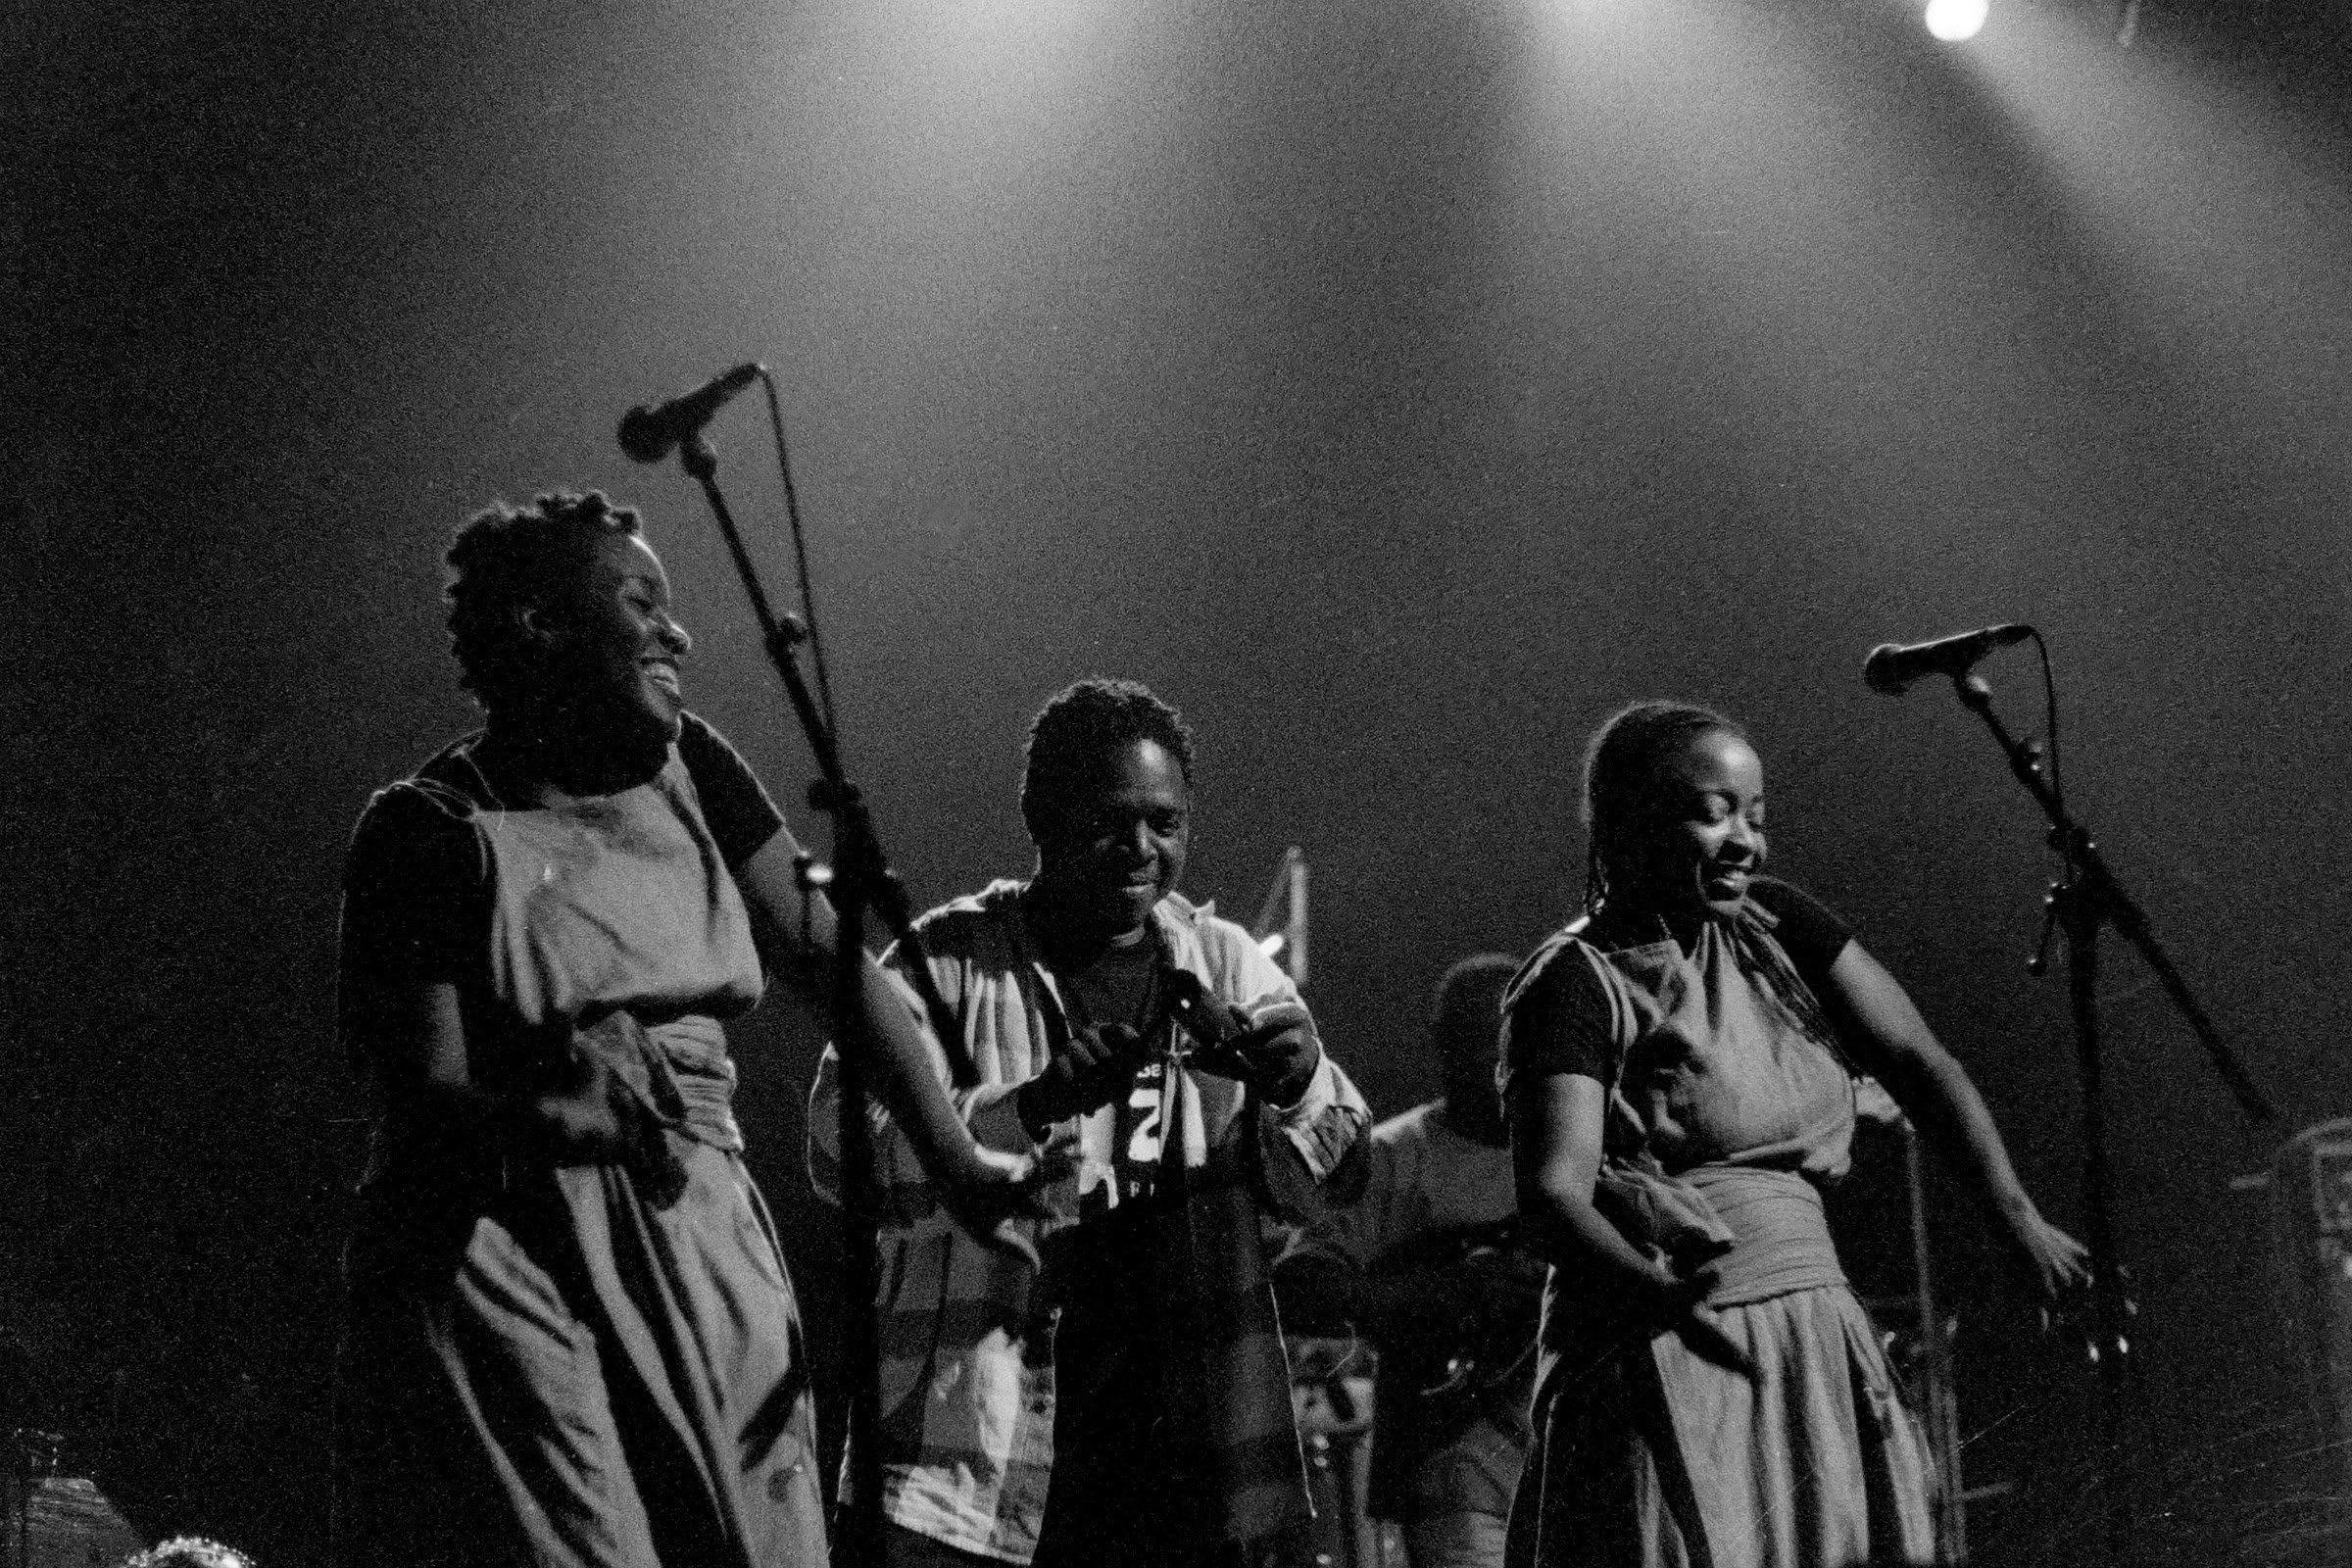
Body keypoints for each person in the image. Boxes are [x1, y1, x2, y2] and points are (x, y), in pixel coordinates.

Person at [334, 489, 1033, 1567]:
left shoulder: (694, 770)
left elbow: (829, 959)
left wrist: (955, 1153)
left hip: (701, 1221)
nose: (678, 630)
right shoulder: (426, 830)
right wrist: (541, 1112)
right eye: (642, 601)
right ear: (541, 623)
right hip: (514, 1256)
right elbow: (416, 1113)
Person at [1500, 701, 2088, 1568]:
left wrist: (2015, 1217)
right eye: (1714, 814)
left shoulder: (1779, 930)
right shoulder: (1574, 982)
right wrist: (1653, 1294)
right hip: (1665, 1347)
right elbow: (1553, 1194)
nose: (1746, 841)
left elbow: (1919, 1063)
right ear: (1629, 825)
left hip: (1812, 1336)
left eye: (1756, 817)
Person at [809, 677, 1371, 1568]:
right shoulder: (946, 964)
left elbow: (1337, 1180)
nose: (1141, 847)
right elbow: (840, 1154)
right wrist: (1027, 1107)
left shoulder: (1226, 962)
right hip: (979, 1464)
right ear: (1043, 817)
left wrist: (1302, 1084)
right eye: (1113, 820)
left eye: (1166, 822)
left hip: (1192, 1461)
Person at [1274, 955, 1542, 1568]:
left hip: (1573, 1463)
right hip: (1454, 1472)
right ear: (1445, 1051)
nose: (1502, 1065)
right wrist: (1442, 1297)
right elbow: (1300, 1281)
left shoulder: (1575, 1148)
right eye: (1482, 1043)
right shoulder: (1397, 1155)